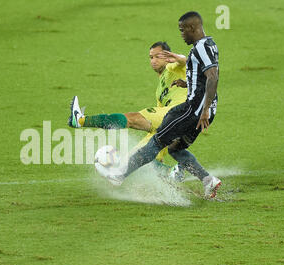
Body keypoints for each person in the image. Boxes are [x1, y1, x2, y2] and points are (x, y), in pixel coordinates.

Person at [93, 11, 222, 198]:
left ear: (192, 28)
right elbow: (204, 75)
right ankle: (208, 180)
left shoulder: (200, 47)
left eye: (182, 30)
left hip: (194, 109)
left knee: (158, 140)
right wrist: (189, 84)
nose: (181, 34)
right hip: (203, 108)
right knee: (175, 147)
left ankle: (120, 175)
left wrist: (204, 109)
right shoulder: (210, 44)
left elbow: (213, 75)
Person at [68, 41, 188, 177]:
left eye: (157, 57)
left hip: (179, 113)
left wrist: (179, 58)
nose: (153, 61)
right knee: (136, 158)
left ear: (167, 56)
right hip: (174, 123)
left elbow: (183, 61)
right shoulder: (159, 90)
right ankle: (171, 175)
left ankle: (81, 120)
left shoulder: (173, 67)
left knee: (132, 118)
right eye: (151, 57)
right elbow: (157, 123)